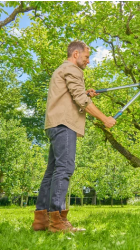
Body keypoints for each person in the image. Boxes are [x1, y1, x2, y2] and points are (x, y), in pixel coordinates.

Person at [32, 41, 116, 233]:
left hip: (54, 124)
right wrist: (104, 118)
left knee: (52, 171)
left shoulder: (62, 69)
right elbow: (80, 98)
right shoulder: (72, 69)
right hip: (64, 125)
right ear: (76, 54)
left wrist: (86, 92)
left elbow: (72, 95)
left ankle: (41, 220)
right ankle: (57, 220)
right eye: (87, 57)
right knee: (64, 169)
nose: (88, 61)